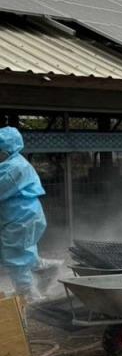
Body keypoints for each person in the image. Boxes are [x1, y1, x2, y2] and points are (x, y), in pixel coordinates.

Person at [0, 126, 52, 300]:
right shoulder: (11, 162)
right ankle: (47, 268)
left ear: (7, 149)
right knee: (22, 252)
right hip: (21, 215)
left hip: (20, 217)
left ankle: (29, 297)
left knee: (16, 257)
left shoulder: (13, 168)